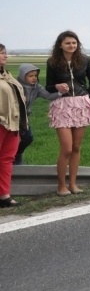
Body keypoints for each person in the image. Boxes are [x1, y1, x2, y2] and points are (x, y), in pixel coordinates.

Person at [45, 31, 90, 196]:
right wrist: (57, 87)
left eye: (74, 43)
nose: (72, 46)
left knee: (76, 147)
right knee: (66, 148)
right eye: (68, 43)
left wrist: (86, 99)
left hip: (80, 105)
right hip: (62, 106)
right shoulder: (53, 62)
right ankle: (61, 186)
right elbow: (48, 86)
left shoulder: (85, 60)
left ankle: (73, 184)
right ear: (60, 45)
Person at [15, 64, 58, 164]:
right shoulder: (15, 86)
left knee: (28, 138)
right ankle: (11, 159)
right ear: (23, 76)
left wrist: (61, 93)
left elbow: (48, 96)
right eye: (30, 76)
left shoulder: (36, 87)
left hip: (25, 118)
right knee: (12, 140)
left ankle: (17, 154)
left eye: (35, 75)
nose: (34, 78)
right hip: (13, 117)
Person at [0, 43, 27, 208]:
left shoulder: (7, 75)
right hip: (1, 121)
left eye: (5, 53)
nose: (5, 56)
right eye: (1, 53)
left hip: (13, 123)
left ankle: (4, 196)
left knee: (7, 159)